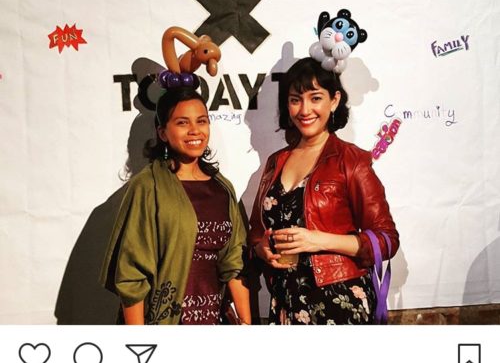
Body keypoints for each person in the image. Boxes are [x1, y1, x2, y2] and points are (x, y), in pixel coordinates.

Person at [248, 57, 399, 325]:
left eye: (315, 98)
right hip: (285, 303)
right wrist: (262, 250)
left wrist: (318, 240)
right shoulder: (275, 162)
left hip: (339, 303)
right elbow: (256, 235)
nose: (305, 110)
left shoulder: (351, 160)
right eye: (295, 100)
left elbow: (386, 240)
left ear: (334, 100)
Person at [101, 86, 250, 325]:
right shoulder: (148, 186)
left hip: (216, 323)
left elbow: (235, 264)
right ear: (162, 132)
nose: (195, 130)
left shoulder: (222, 188)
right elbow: (132, 277)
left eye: (201, 121)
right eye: (182, 123)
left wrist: (246, 324)